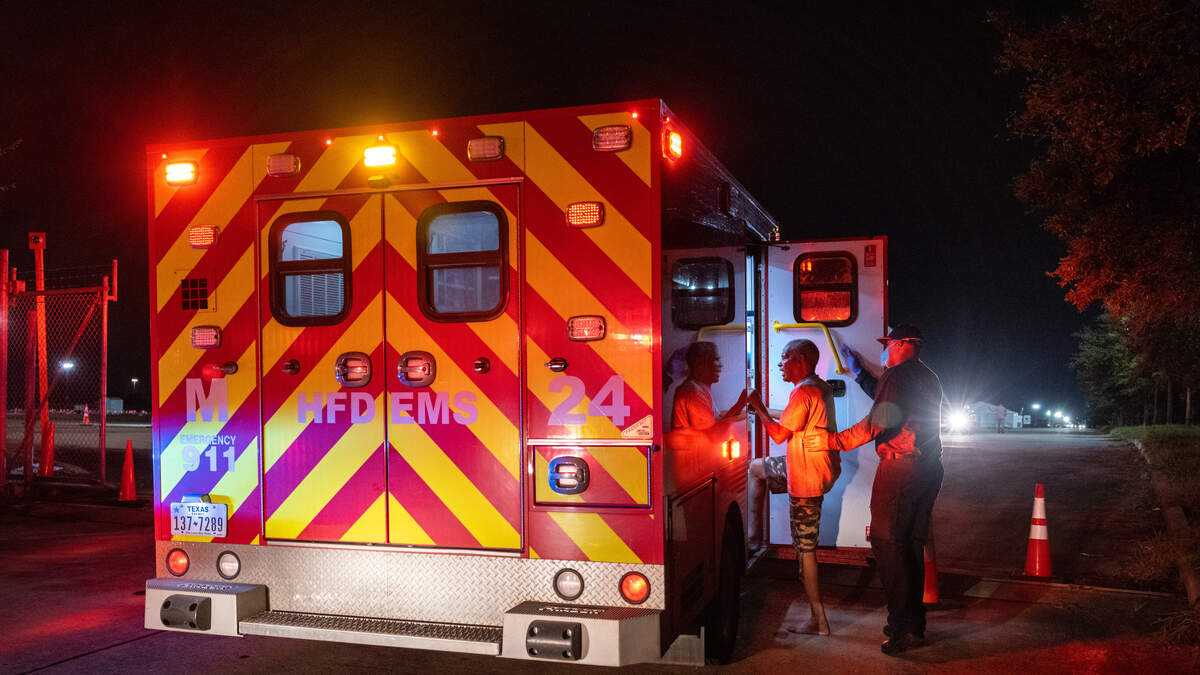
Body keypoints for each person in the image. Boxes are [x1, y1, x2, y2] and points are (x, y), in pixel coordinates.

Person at [805, 324, 944, 655]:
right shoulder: (927, 377)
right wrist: (859, 375)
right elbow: (892, 404)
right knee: (910, 545)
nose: (885, 351)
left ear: (902, 344)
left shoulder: (897, 375)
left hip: (900, 469)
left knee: (888, 544)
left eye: (888, 344)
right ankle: (914, 623)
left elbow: (878, 421)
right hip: (928, 469)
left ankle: (902, 629)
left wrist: (833, 441)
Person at [746, 339, 838, 636]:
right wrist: (761, 410)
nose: (780, 363)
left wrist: (758, 406)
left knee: (806, 549)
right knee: (756, 468)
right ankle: (753, 538)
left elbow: (778, 435)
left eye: (785, 357)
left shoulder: (803, 392)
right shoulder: (819, 387)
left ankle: (819, 621)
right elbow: (791, 418)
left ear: (801, 360)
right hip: (816, 470)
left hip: (805, 477)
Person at [671, 341, 748, 431]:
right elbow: (710, 431)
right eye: (716, 359)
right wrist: (741, 403)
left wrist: (749, 411)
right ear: (700, 365)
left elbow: (719, 416)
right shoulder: (693, 392)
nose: (721, 365)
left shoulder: (700, 387)